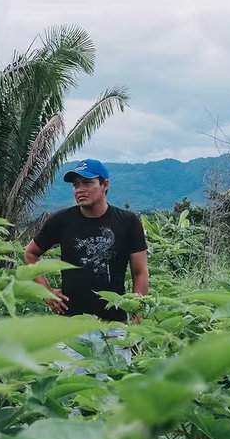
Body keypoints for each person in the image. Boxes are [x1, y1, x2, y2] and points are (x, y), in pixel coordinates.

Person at [24, 158, 149, 370]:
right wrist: (45, 291)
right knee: (71, 396)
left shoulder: (127, 222)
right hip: (71, 325)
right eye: (76, 185)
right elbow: (30, 254)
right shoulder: (62, 221)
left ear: (105, 185)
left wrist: (136, 325)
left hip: (114, 327)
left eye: (87, 183)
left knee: (111, 396)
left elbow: (140, 273)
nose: (80, 189)